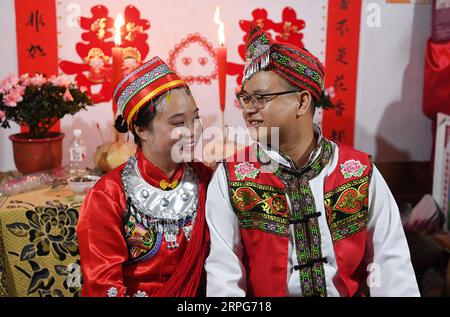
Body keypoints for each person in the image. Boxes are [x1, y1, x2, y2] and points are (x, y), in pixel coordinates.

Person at [204, 24, 420, 297]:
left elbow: (391, 268)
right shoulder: (233, 177)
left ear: (303, 102)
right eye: (245, 98)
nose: (248, 108)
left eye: (261, 98)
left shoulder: (357, 173)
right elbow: (224, 278)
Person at [77, 56, 212, 297]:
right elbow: (103, 285)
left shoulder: (207, 179)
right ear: (141, 130)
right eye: (179, 122)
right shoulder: (108, 196)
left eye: (196, 118)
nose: (193, 131)